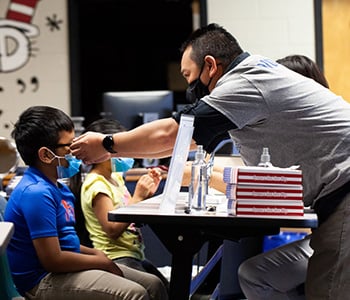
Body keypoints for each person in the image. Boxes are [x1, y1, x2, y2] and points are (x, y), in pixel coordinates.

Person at [71, 23, 350, 300]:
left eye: (189, 76)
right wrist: (114, 151)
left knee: (326, 291)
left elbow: (171, 134)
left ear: (210, 66)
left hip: (344, 190)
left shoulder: (244, 82)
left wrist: (107, 144)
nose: (189, 87)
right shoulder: (255, 75)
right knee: (266, 276)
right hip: (337, 194)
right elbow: (181, 142)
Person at [4, 106, 168, 300]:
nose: (75, 151)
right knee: (135, 293)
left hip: (61, 269)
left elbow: (67, 243)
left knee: (154, 285)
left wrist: (98, 256)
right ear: (46, 155)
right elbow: (53, 260)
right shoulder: (36, 193)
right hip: (42, 280)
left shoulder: (59, 188)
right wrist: (101, 262)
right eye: (69, 146)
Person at [237, 54, 330, 300]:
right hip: (329, 232)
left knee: (253, 274)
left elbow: (282, 187)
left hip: (339, 237)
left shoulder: (314, 134)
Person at [72, 118, 169, 290]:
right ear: (100, 152)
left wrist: (146, 194)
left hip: (135, 254)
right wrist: (137, 197)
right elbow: (113, 229)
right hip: (117, 258)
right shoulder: (96, 184)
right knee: (155, 289)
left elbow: (130, 215)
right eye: (118, 148)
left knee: (167, 289)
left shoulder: (115, 178)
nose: (125, 153)